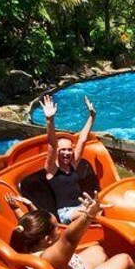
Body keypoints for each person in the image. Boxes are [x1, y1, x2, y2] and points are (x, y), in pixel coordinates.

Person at [6, 193, 135, 269]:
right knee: (124, 258)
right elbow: (69, 238)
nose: (60, 229)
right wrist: (89, 215)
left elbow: (31, 228)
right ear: (48, 239)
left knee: (97, 250)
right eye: (57, 227)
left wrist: (20, 208)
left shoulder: (26, 244)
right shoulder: (48, 259)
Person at [41, 94, 97, 223]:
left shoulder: (72, 164)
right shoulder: (51, 169)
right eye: (63, 150)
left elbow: (82, 140)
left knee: (98, 208)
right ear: (57, 152)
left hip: (81, 206)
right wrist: (49, 120)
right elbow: (52, 144)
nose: (67, 153)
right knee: (90, 212)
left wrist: (92, 117)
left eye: (69, 149)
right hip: (66, 212)